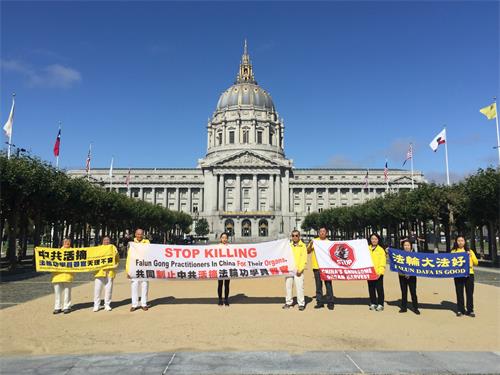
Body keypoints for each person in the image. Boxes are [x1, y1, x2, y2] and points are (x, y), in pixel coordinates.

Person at [307, 227, 334, 310]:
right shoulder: (315, 241)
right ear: (318, 233)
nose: (322, 233)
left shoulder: (329, 243)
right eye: (320, 231)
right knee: (318, 286)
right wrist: (311, 243)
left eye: (323, 231)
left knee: (328, 285)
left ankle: (330, 302)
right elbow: (308, 251)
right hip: (316, 266)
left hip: (326, 267)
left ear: (326, 233)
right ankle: (320, 302)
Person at [451, 235, 478, 317]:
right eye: (458, 240)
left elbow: (476, 263)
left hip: (469, 274)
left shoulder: (469, 251)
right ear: (456, 242)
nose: (460, 242)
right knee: (459, 292)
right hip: (458, 274)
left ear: (465, 242)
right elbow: (450, 263)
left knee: (469, 293)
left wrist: (470, 256)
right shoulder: (453, 252)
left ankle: (470, 310)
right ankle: (460, 309)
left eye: (462, 240)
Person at [93, 236, 120, 312]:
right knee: (97, 289)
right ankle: (96, 305)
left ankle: (107, 304)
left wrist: (115, 265)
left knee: (108, 290)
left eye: (108, 240)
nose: (106, 241)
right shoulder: (98, 249)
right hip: (99, 272)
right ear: (102, 241)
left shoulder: (113, 248)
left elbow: (117, 258)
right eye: (105, 240)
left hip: (109, 272)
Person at [283, 230, 307, 311]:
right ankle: (289, 302)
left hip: (298, 269)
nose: (295, 237)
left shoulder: (303, 246)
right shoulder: (289, 246)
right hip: (289, 269)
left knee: (299, 287)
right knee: (288, 286)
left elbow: (304, 258)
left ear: (299, 236)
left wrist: (300, 269)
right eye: (293, 235)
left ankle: (301, 303)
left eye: (296, 235)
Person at [127, 229, 150, 312]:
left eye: (141, 234)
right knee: (134, 285)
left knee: (144, 285)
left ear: (143, 235)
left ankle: (144, 304)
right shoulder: (131, 244)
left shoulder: (147, 242)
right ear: (135, 234)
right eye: (138, 234)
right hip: (134, 268)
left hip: (144, 267)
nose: (139, 236)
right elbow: (128, 258)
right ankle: (134, 304)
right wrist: (128, 270)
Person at [52, 238, 74, 315]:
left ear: (70, 243)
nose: (67, 243)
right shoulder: (57, 252)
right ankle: (57, 307)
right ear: (62, 243)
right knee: (57, 293)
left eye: (68, 242)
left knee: (67, 292)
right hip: (57, 275)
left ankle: (66, 307)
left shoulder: (74, 252)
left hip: (68, 275)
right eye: (65, 242)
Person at [398, 240, 420, 314]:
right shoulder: (399, 255)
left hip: (412, 276)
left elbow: (416, 266)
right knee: (404, 292)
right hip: (402, 276)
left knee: (413, 292)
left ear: (411, 246)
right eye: (405, 245)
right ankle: (404, 307)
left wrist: (409, 273)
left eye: (408, 245)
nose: (406, 247)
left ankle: (415, 307)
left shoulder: (414, 255)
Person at [367, 233, 386, 311]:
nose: (374, 240)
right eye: (372, 239)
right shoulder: (367, 248)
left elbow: (383, 262)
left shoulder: (381, 250)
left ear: (378, 240)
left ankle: (380, 304)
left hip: (378, 273)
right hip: (369, 272)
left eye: (375, 239)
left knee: (379, 289)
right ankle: (373, 302)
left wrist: (380, 272)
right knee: (371, 288)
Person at [217, 232, 231, 306]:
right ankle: (220, 299)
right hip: (220, 268)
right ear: (220, 238)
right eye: (223, 237)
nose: (224, 239)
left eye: (225, 238)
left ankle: (226, 299)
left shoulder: (230, 247)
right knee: (220, 284)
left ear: (227, 239)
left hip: (228, 268)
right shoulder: (217, 247)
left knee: (227, 284)